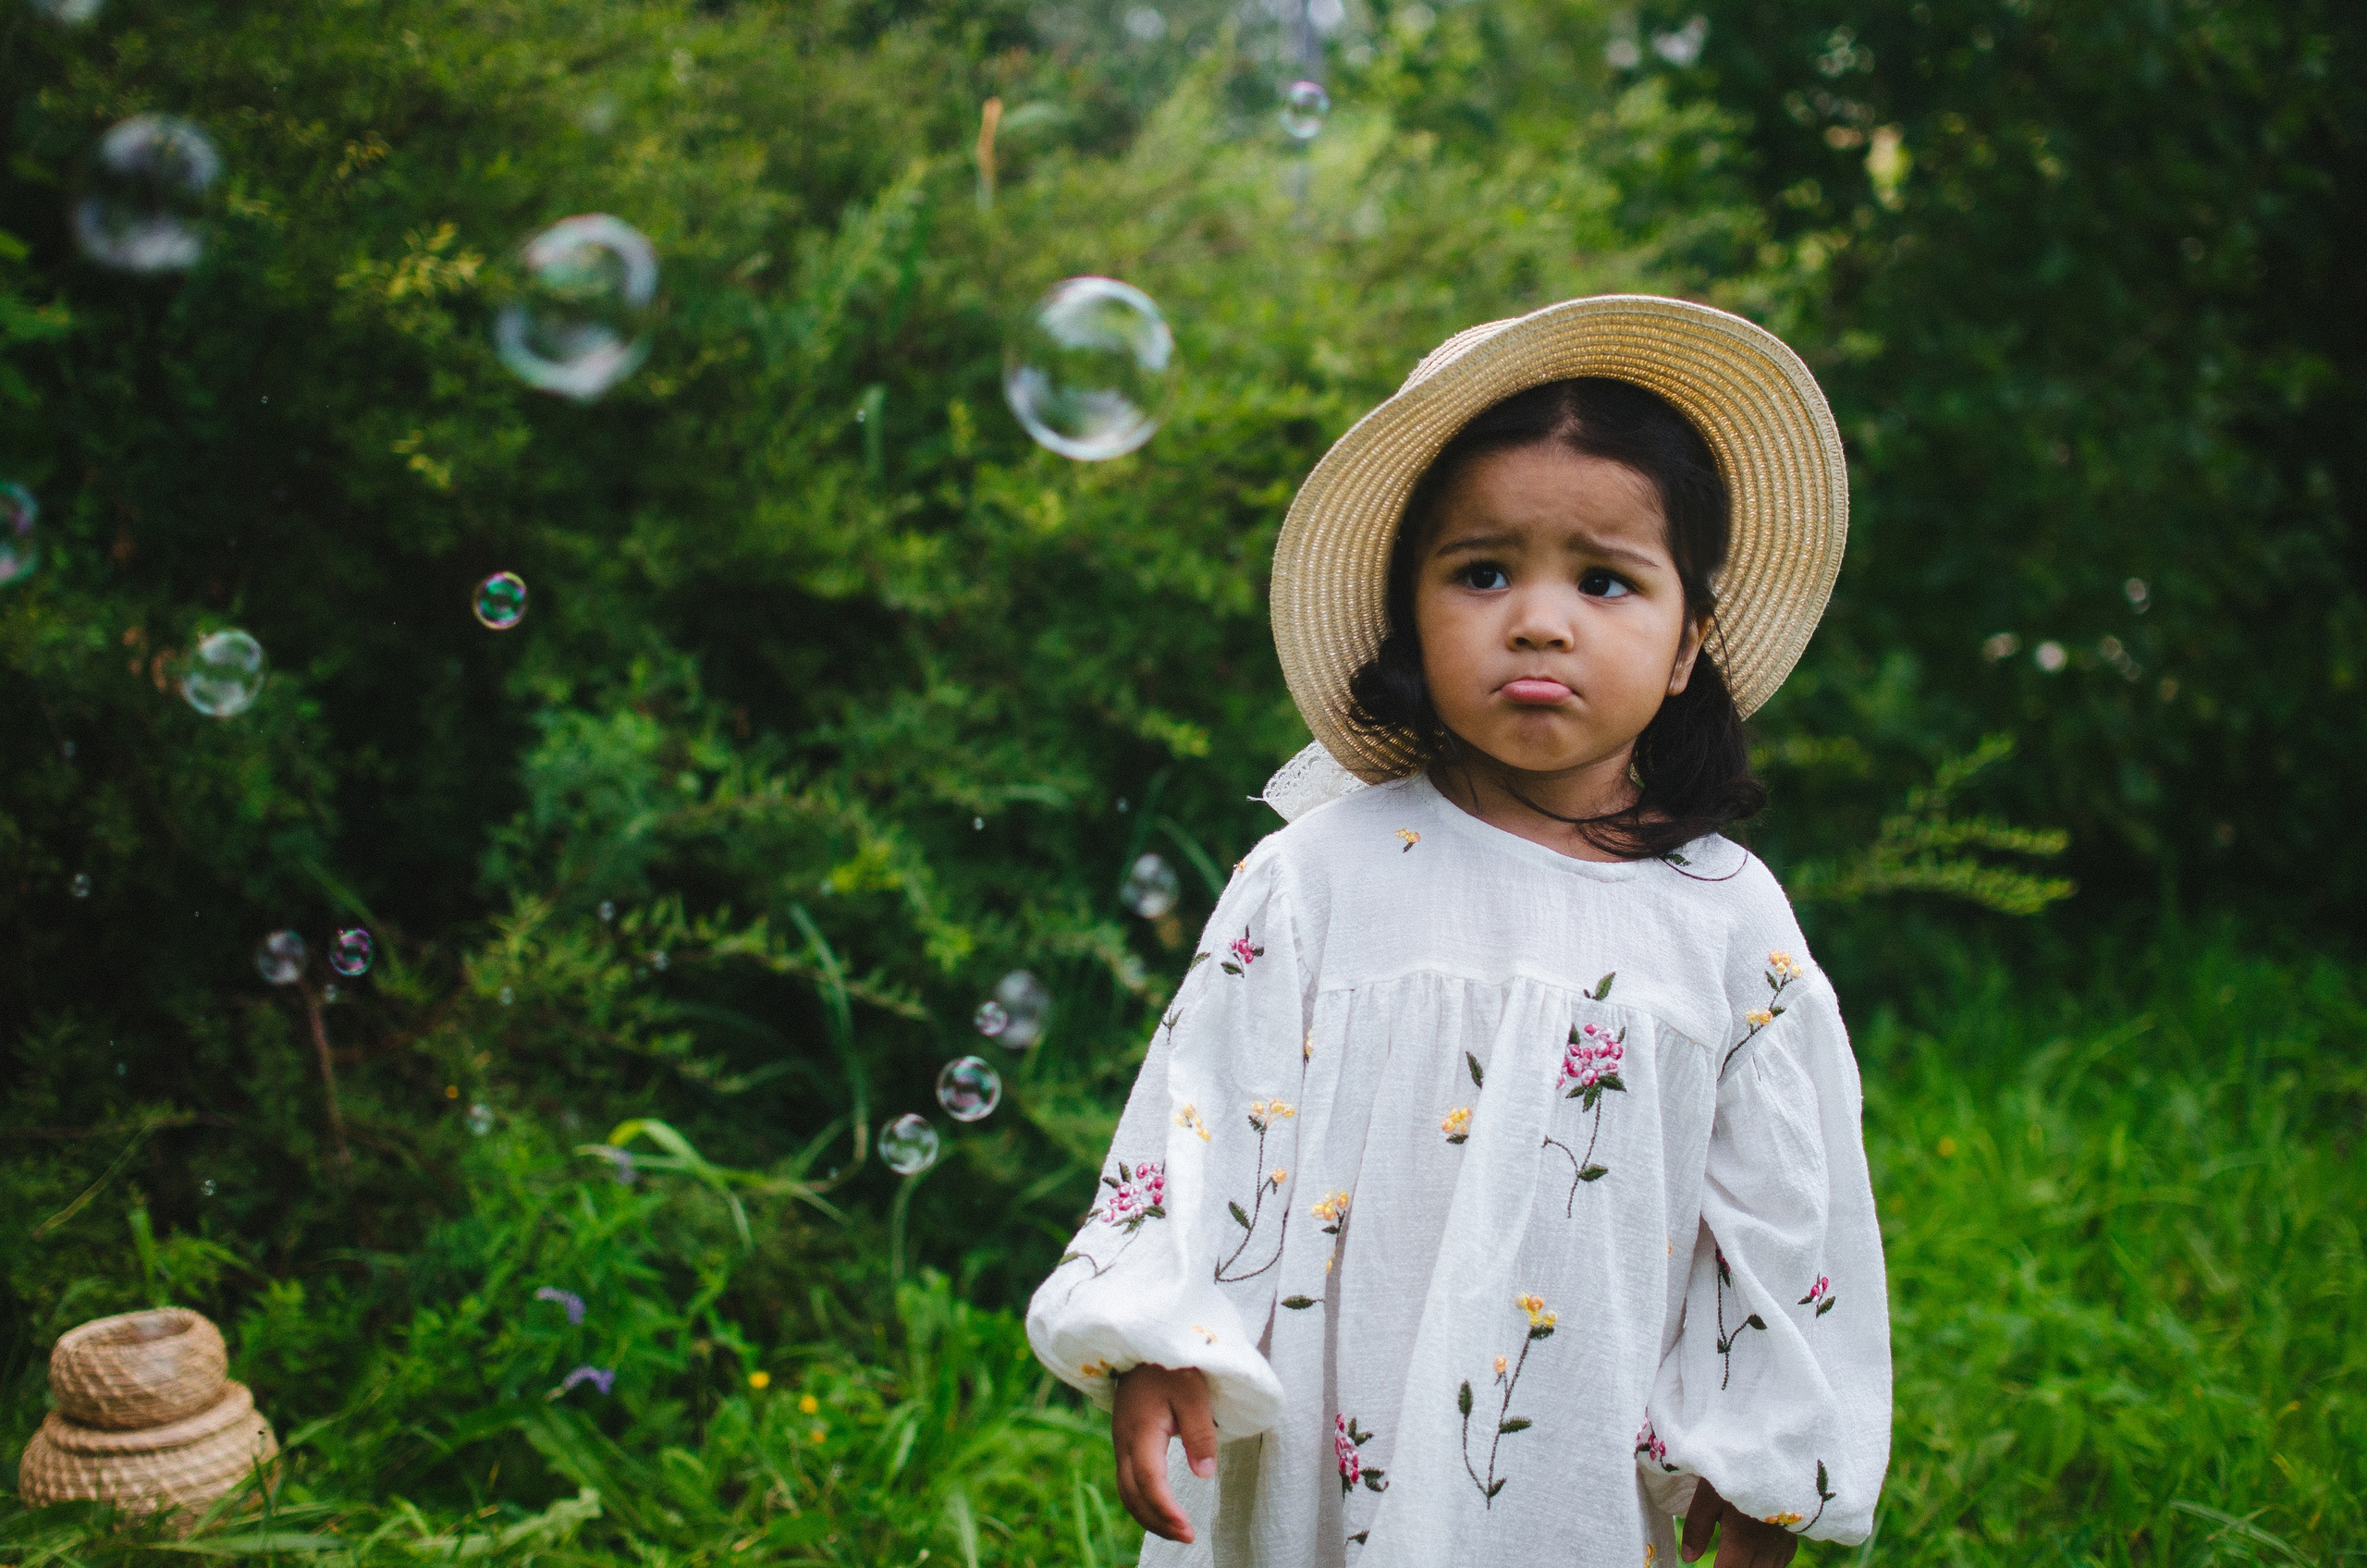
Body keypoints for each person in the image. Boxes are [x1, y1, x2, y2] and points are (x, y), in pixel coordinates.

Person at [1026, 296, 1890, 1568]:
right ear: (1410, 615)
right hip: (1326, 1437)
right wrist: (1161, 1338)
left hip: (1573, 1446)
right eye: (1482, 572)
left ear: (1687, 645)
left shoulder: (1723, 919)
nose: (1538, 619)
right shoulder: (1319, 876)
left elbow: (1783, 1210)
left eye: (1605, 580)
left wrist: (1762, 1457)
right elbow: (1205, 1116)